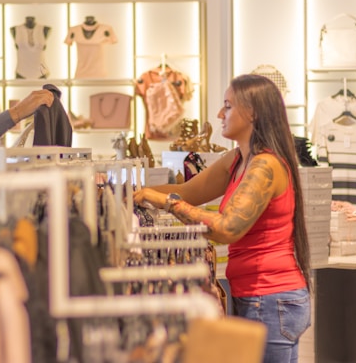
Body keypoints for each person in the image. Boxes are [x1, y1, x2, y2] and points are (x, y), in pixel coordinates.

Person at [133, 74, 312, 363]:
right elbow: (187, 191)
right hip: (259, 296)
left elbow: (228, 228)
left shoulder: (265, 165)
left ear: (252, 112)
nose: (219, 114)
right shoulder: (238, 159)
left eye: (227, 106)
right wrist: (132, 191)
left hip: (270, 298)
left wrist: (166, 202)